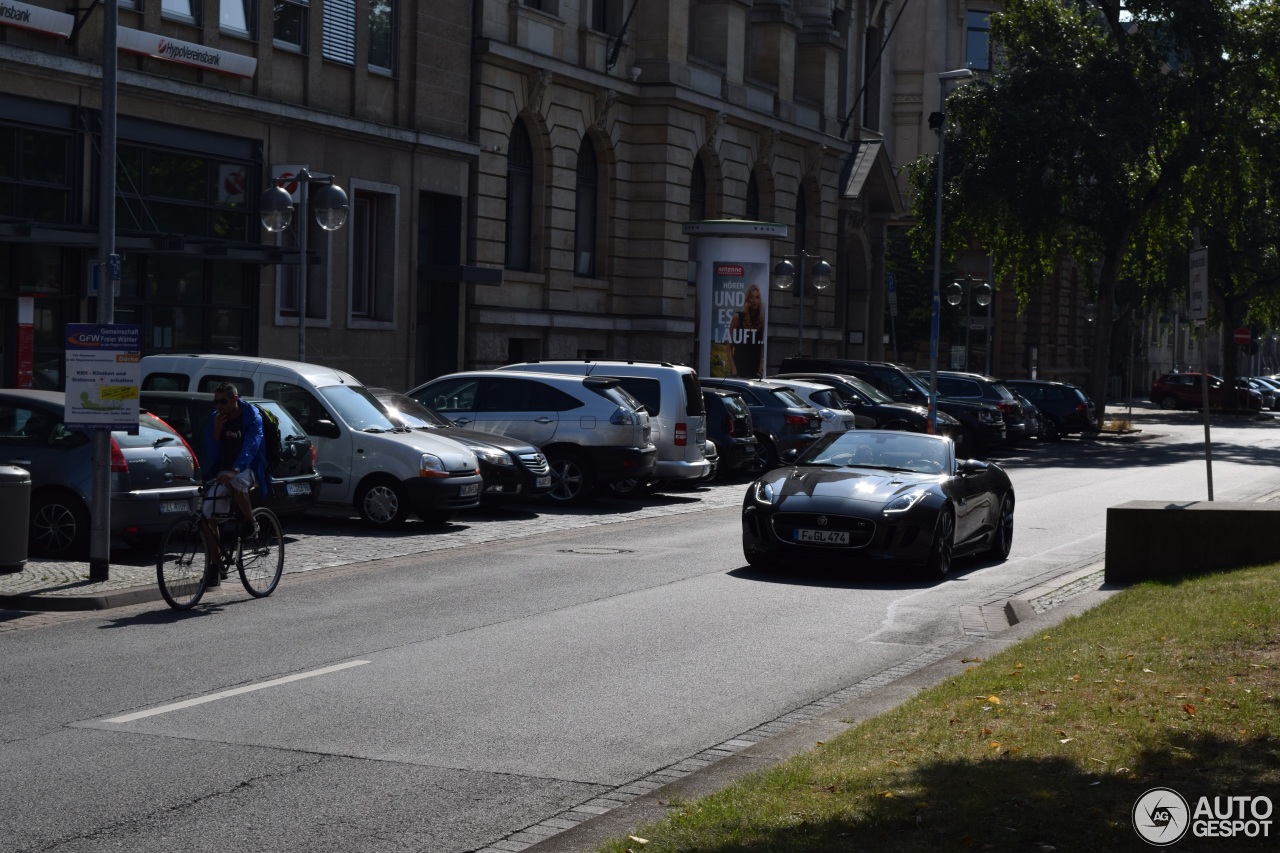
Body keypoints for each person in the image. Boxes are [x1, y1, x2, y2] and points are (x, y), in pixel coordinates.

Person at [203, 382, 269, 548]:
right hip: (225, 471)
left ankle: (250, 521)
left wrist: (236, 469)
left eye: (223, 402)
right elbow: (212, 455)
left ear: (235, 399)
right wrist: (216, 433)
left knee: (235, 480)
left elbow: (252, 446)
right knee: (206, 516)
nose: (219, 406)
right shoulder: (216, 418)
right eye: (216, 402)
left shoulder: (251, 416)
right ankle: (215, 566)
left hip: (250, 467)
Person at [728, 283, 765, 378]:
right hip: (739, 372)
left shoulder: (761, 320)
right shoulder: (738, 317)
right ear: (747, 299)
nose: (754, 300)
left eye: (757, 297)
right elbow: (729, 347)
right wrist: (734, 370)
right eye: (751, 297)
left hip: (754, 373)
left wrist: (760, 370)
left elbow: (761, 347)